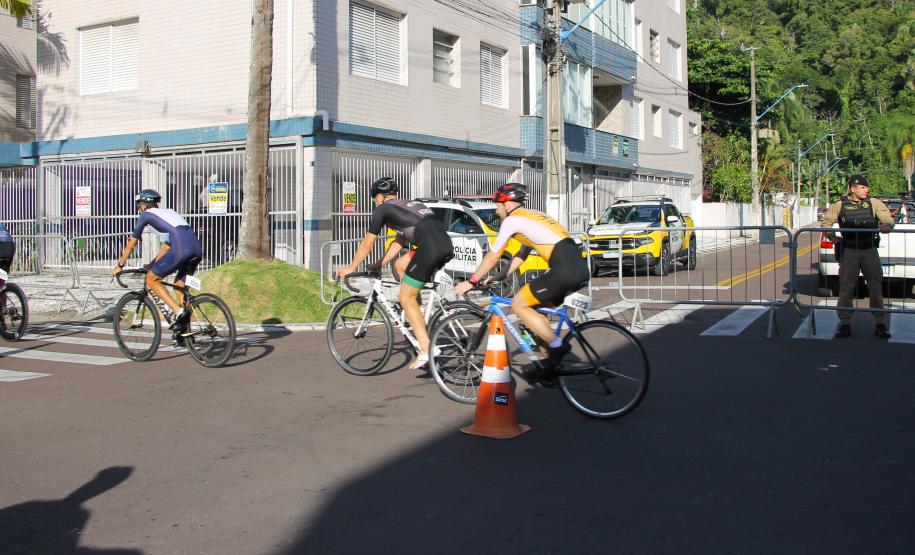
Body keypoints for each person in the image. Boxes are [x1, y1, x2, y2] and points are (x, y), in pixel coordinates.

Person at [453, 183, 590, 383]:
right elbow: (522, 253)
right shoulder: (532, 214)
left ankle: (558, 347)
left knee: (519, 304)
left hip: (564, 269)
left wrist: (471, 282)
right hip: (578, 267)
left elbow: (493, 255)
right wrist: (500, 275)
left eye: (498, 205)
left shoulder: (512, 220)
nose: (497, 209)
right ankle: (548, 368)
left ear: (508, 204)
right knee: (534, 316)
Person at [336, 177, 454, 370]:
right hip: (444, 245)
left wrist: (352, 267)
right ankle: (417, 312)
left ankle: (426, 348)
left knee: (404, 297)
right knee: (400, 265)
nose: (375, 202)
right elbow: (400, 240)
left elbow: (368, 243)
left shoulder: (382, 209)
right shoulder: (409, 204)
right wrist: (380, 263)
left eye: (374, 198)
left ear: (380, 197)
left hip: (429, 248)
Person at [110, 190, 203, 337]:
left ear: (142, 205)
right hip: (196, 248)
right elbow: (167, 245)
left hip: (181, 247)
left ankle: (178, 311)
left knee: (152, 279)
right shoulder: (169, 212)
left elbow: (131, 244)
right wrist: (151, 264)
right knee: (179, 287)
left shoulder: (146, 216)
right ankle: (185, 332)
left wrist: (119, 266)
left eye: (138, 206)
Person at [820, 175, 895, 338]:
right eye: (863, 187)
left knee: (875, 286)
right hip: (849, 251)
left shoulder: (873, 203)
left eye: (866, 188)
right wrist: (834, 239)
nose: (866, 190)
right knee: (846, 287)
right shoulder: (840, 204)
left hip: (869, 250)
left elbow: (888, 219)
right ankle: (845, 323)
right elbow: (825, 224)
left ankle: (880, 323)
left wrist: (887, 225)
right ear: (852, 189)